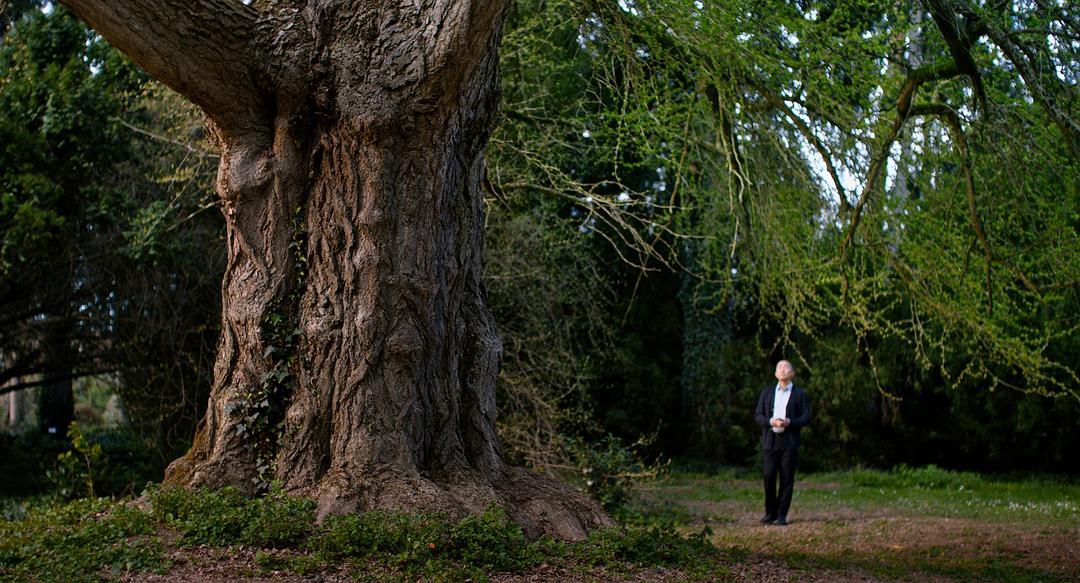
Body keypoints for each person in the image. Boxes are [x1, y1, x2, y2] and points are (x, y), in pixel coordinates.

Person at [754, 360, 811, 526]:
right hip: (770, 441)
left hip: (790, 441)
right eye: (779, 367)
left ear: (792, 373)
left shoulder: (800, 394)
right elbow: (758, 415)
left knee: (787, 478)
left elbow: (807, 417)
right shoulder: (767, 393)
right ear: (775, 373)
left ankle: (781, 515)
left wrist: (790, 422)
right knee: (768, 476)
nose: (782, 369)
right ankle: (769, 513)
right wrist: (771, 422)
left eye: (786, 367)